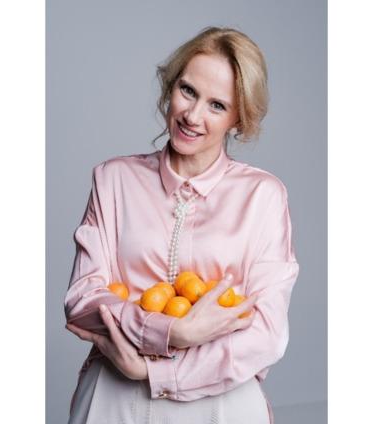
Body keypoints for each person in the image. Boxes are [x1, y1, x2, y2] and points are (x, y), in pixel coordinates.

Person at [63, 26, 300, 424]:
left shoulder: (263, 195)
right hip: (115, 398)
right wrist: (173, 333)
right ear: (171, 87)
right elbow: (83, 302)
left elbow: (266, 334)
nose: (192, 116)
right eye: (188, 90)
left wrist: (155, 371)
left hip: (222, 402)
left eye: (217, 105)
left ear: (238, 118)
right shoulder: (113, 179)